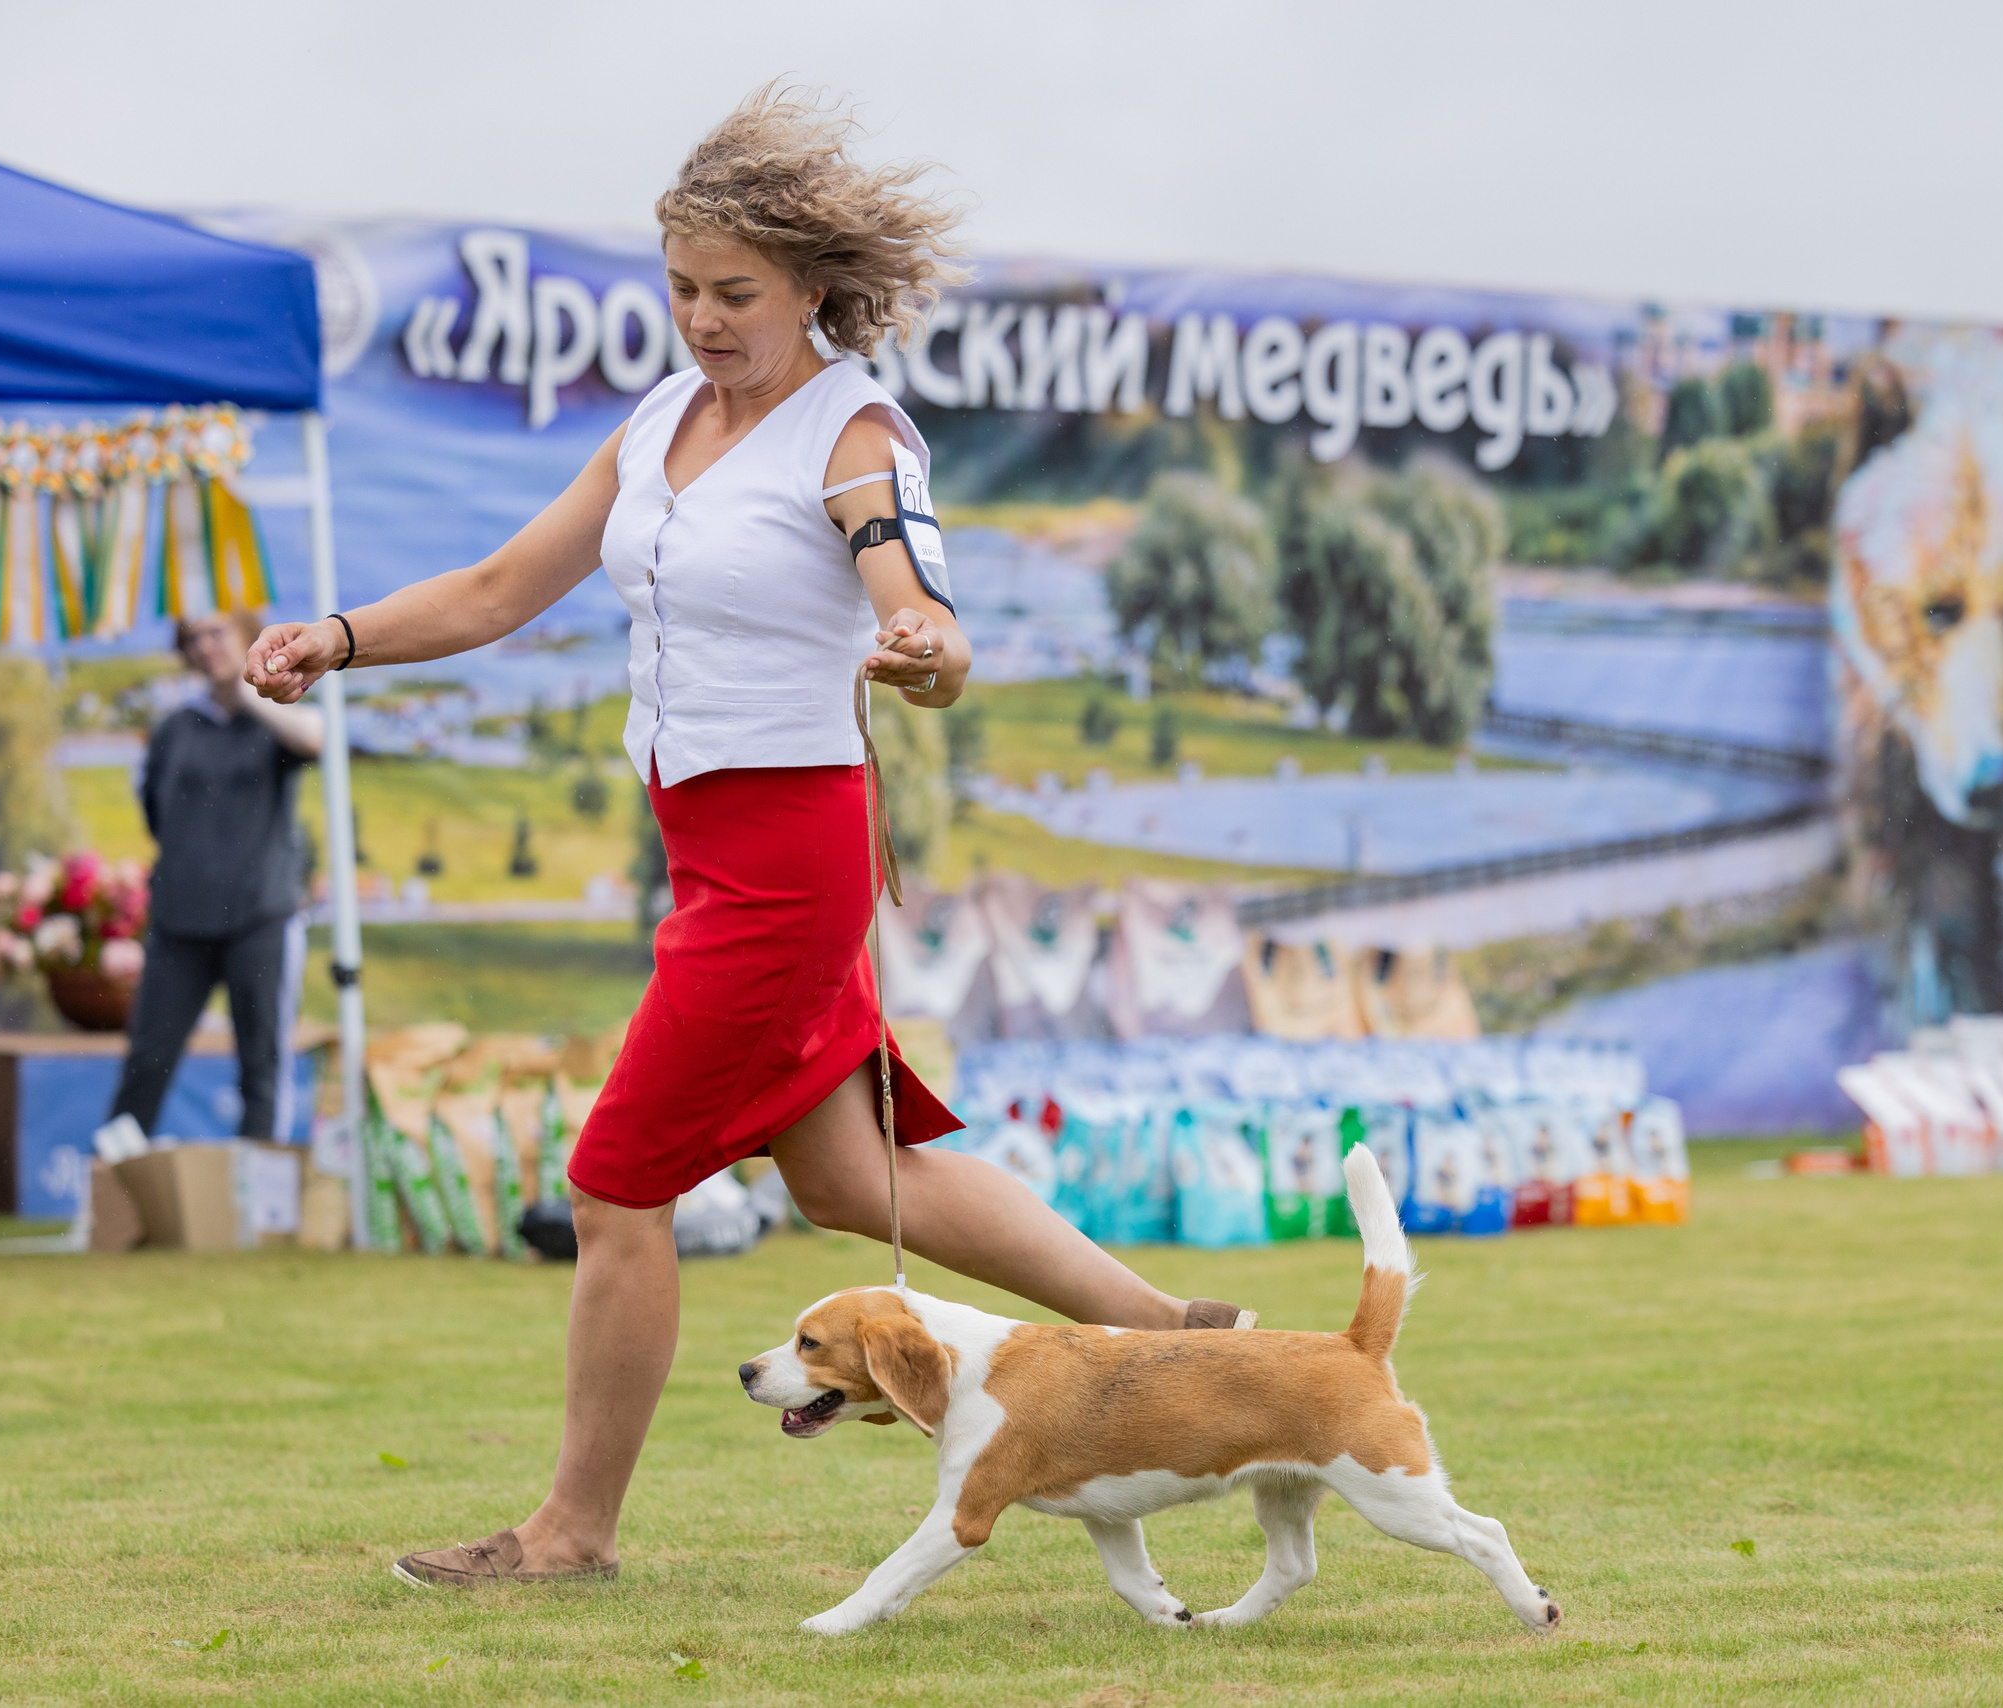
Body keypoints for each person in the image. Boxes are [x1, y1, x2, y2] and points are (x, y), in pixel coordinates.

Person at [247, 87, 1251, 1588]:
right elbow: (497, 589)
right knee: (852, 1179)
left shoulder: (849, 429)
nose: (705, 321)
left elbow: (908, 579)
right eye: (683, 291)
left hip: (788, 858)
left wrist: (924, 637)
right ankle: (1175, 1343)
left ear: (810, 291)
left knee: (614, 1183)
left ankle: (569, 1535)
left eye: (737, 294)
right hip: (712, 845)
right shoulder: (662, 422)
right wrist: (337, 635)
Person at [110, 607, 322, 1143]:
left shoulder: (276, 720)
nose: (206, 646)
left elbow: (316, 740)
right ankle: (115, 1195)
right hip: (180, 922)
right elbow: (155, 813)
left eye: (217, 632)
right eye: (192, 638)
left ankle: (259, 1205)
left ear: (246, 636)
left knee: (261, 1065)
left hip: (260, 919)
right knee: (146, 1061)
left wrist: (254, 693)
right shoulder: (175, 729)